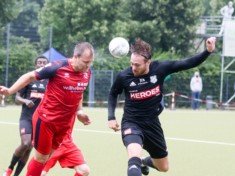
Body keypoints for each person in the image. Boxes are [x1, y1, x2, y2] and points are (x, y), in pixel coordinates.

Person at [107, 37, 216, 176]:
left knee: (163, 167)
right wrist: (111, 117)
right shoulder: (124, 76)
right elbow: (112, 94)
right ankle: (136, 162)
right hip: (131, 122)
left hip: (152, 124)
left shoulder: (160, 69)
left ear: (148, 62)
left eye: (137, 65)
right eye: (131, 64)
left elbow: (187, 63)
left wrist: (207, 51)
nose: (133, 68)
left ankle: (143, 162)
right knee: (133, 158)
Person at [0, 42, 94, 176]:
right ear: (76, 56)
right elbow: (29, 76)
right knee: (41, 158)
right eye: (85, 62)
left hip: (65, 125)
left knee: (47, 158)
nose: (88, 66)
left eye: (90, 63)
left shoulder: (86, 73)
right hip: (46, 120)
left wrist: (79, 111)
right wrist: (9, 91)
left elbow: (80, 90)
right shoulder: (57, 67)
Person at [3, 56, 49, 176]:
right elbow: (17, 98)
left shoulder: (50, 81)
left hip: (40, 120)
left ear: (48, 65)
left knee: (29, 148)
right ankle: (9, 169)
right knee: (25, 143)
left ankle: (16, 174)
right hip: (26, 118)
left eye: (44, 63)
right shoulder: (29, 79)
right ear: (35, 65)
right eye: (39, 62)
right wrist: (25, 101)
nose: (41, 64)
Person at [41, 110, 91, 176]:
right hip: (53, 143)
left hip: (68, 143)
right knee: (41, 173)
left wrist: (81, 115)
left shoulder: (77, 101)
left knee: (84, 170)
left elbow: (79, 110)